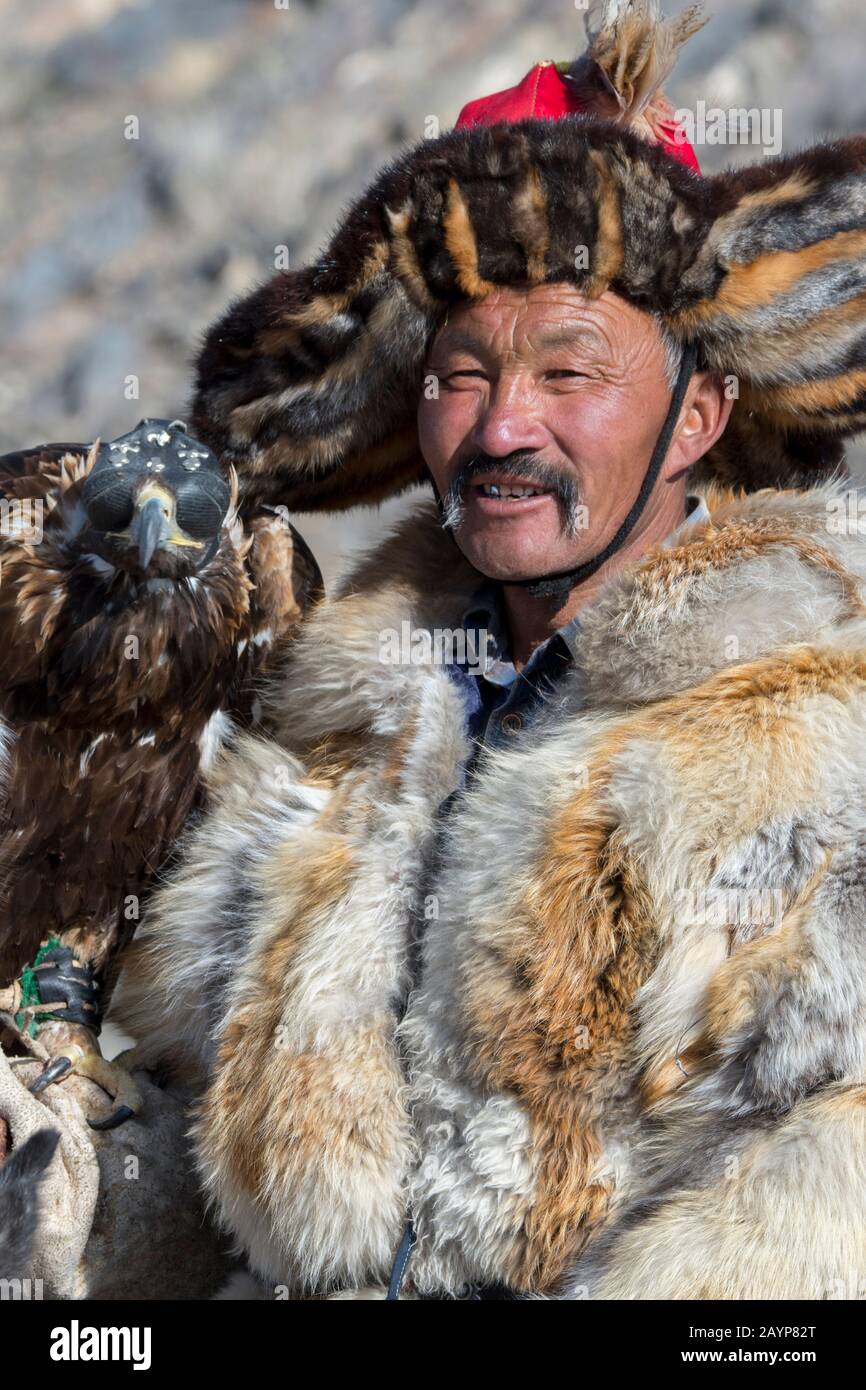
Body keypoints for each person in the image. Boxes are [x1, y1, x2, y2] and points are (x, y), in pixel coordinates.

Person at [115, 0, 866, 1299]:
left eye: (569, 372)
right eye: (460, 374)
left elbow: (813, 1210)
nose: (502, 426)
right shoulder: (331, 728)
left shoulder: (810, 742)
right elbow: (202, 1165)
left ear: (697, 415)